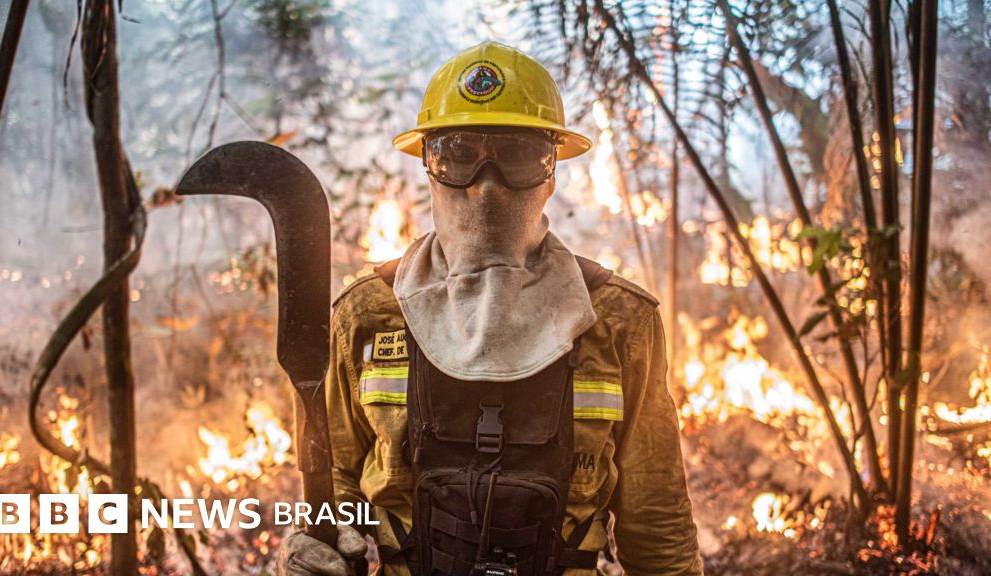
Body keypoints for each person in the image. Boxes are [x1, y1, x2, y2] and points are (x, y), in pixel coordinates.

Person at [279, 41, 703, 576]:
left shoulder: (620, 321)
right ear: (427, 169)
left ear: (551, 173)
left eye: (518, 156)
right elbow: (336, 478)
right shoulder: (365, 315)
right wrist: (315, 543)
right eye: (456, 155)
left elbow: (656, 525)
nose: (485, 186)